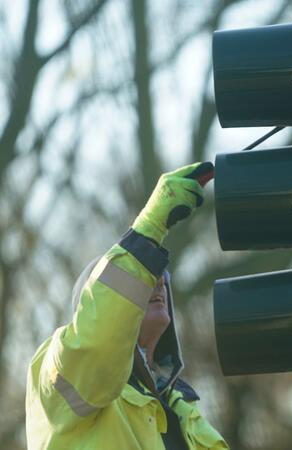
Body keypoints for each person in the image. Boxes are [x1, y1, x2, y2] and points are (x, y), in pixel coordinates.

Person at [26, 162, 228, 449]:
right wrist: (149, 228)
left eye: (160, 277)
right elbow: (96, 343)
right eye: (143, 279)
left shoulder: (184, 411)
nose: (158, 283)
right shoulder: (60, 376)